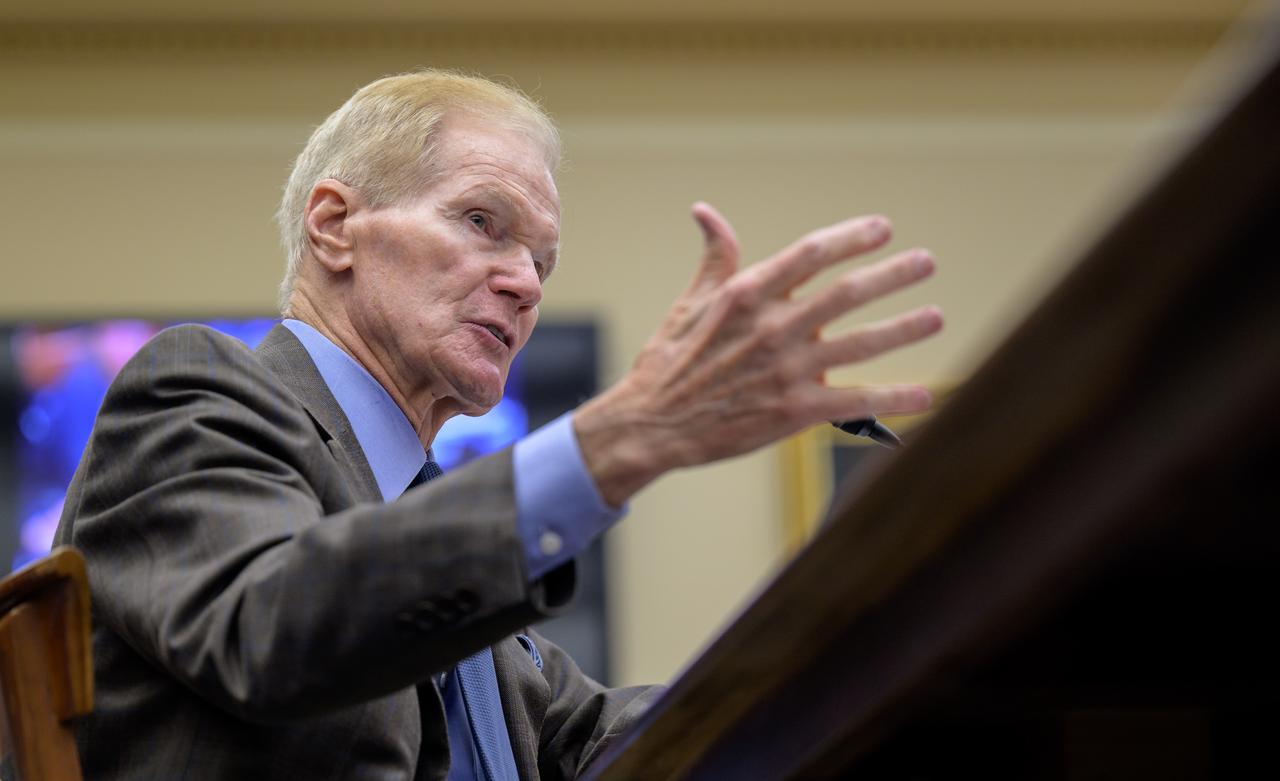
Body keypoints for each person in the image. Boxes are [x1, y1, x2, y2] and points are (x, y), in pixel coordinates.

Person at [52, 70, 942, 780]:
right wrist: (619, 440)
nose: (525, 283)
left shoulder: (432, 521)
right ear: (335, 226)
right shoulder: (196, 391)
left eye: (541, 261)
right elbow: (274, 628)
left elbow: (602, 741)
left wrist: (862, 643)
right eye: (483, 222)